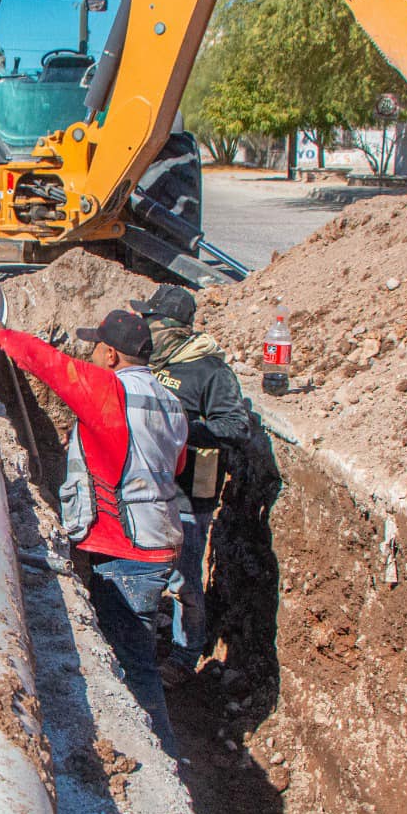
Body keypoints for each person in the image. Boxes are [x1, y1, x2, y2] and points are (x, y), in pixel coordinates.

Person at [0, 309, 189, 753]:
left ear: (111, 354)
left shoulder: (110, 389)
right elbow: (177, 466)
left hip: (127, 551)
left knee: (132, 665)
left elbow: (50, 365)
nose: (91, 353)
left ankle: (161, 757)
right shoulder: (168, 399)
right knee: (135, 653)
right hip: (158, 542)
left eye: (97, 346)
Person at [129, 285, 251, 687]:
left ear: (170, 327)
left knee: (183, 580)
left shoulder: (210, 371)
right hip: (146, 484)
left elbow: (235, 427)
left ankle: (184, 655)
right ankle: (135, 645)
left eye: (150, 320)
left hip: (188, 493)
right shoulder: (150, 360)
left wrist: (183, 428)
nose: (145, 327)